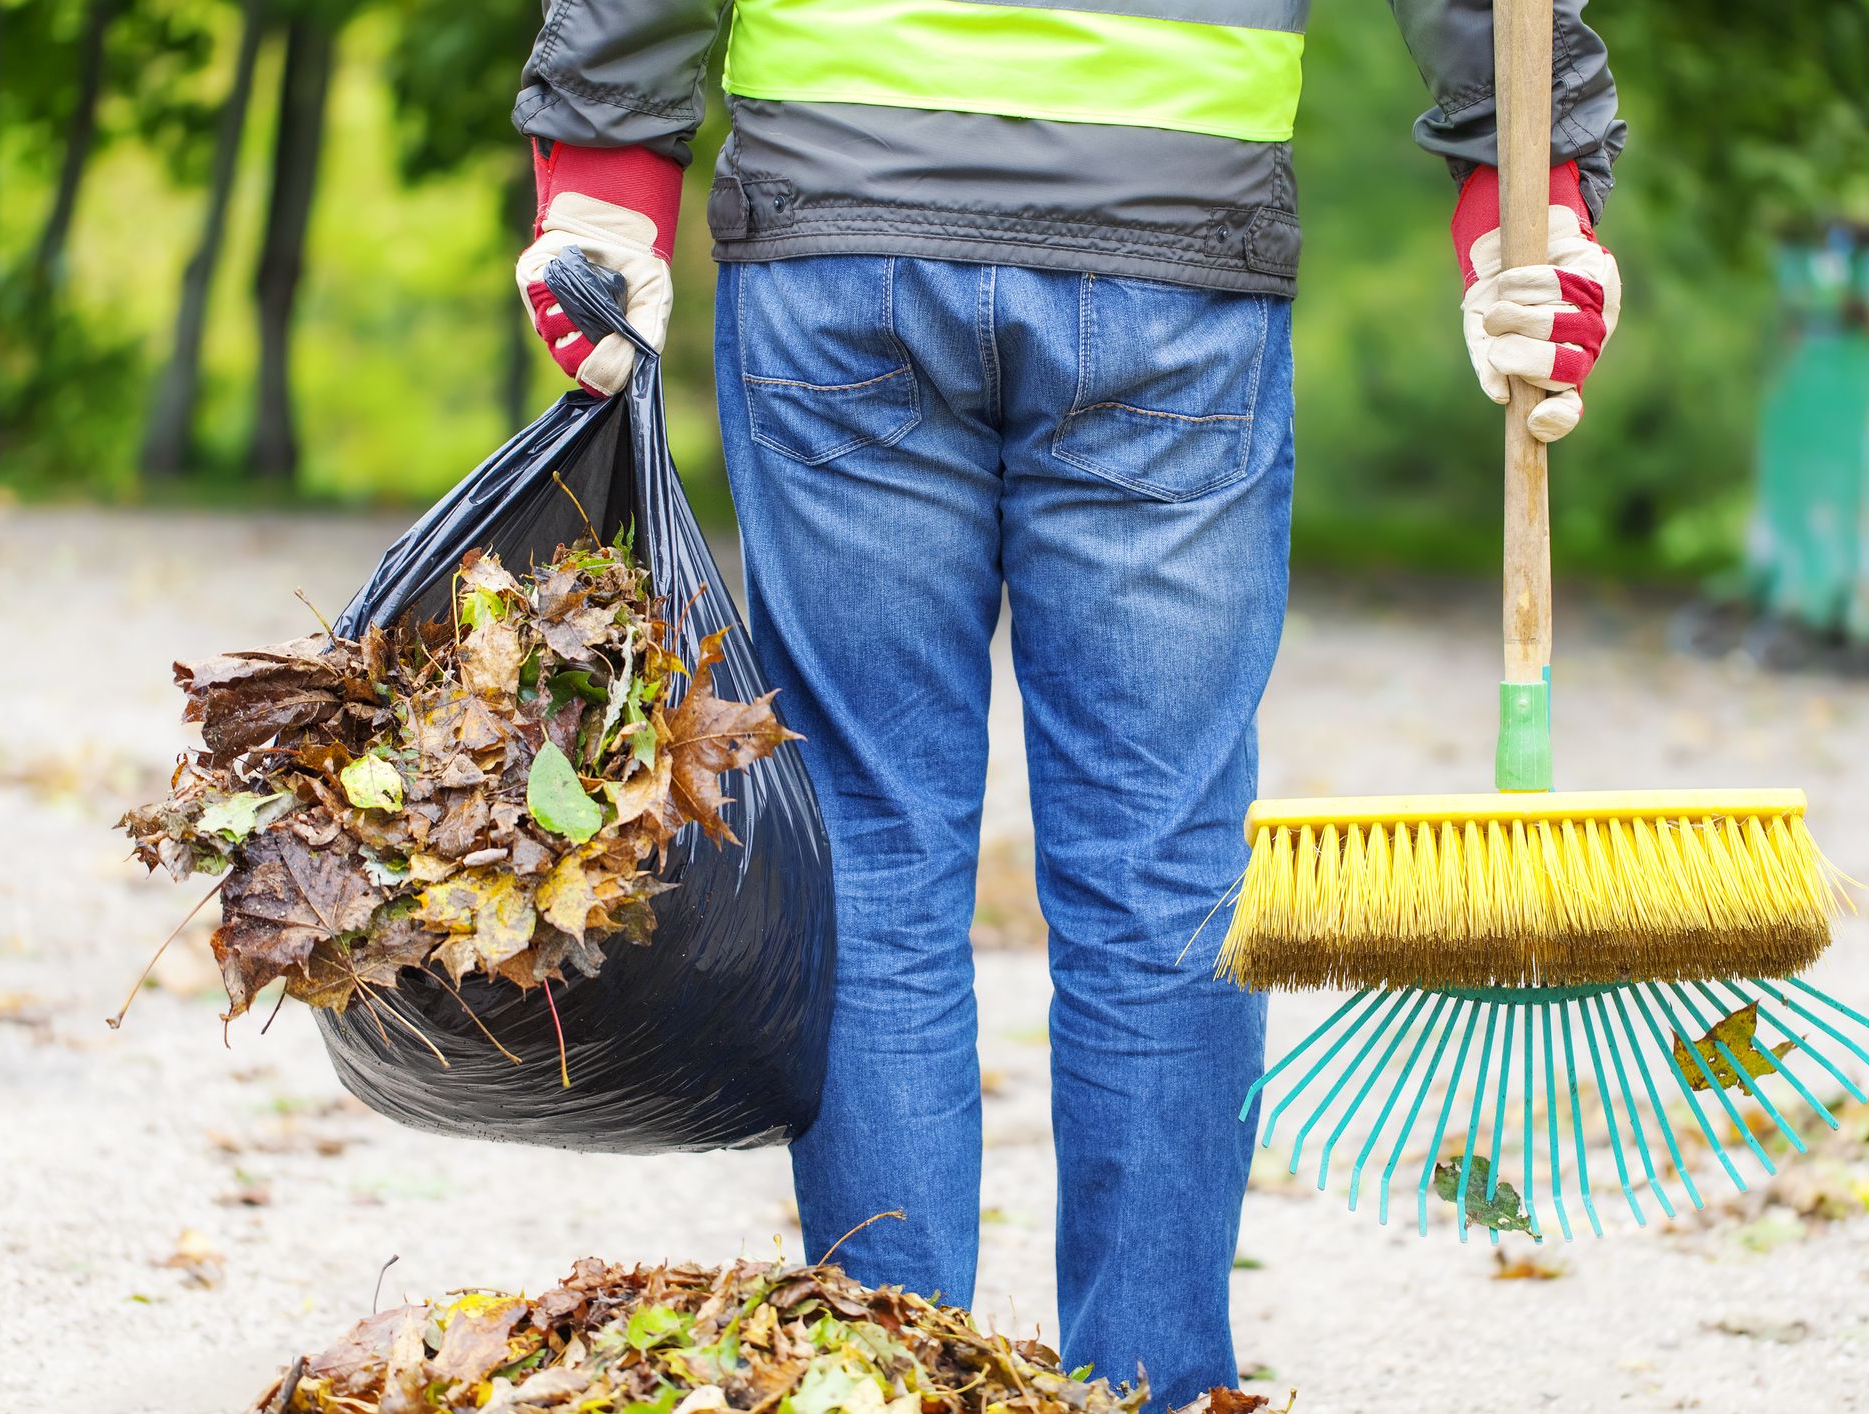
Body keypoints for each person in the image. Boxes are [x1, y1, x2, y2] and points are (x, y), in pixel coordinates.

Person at [511, 3, 1623, 1404]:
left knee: (866, 838)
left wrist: (602, 174)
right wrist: (1530, 200)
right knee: (1161, 863)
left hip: (844, 226)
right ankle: (1154, 1387)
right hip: (1171, 245)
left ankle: (889, 1379)